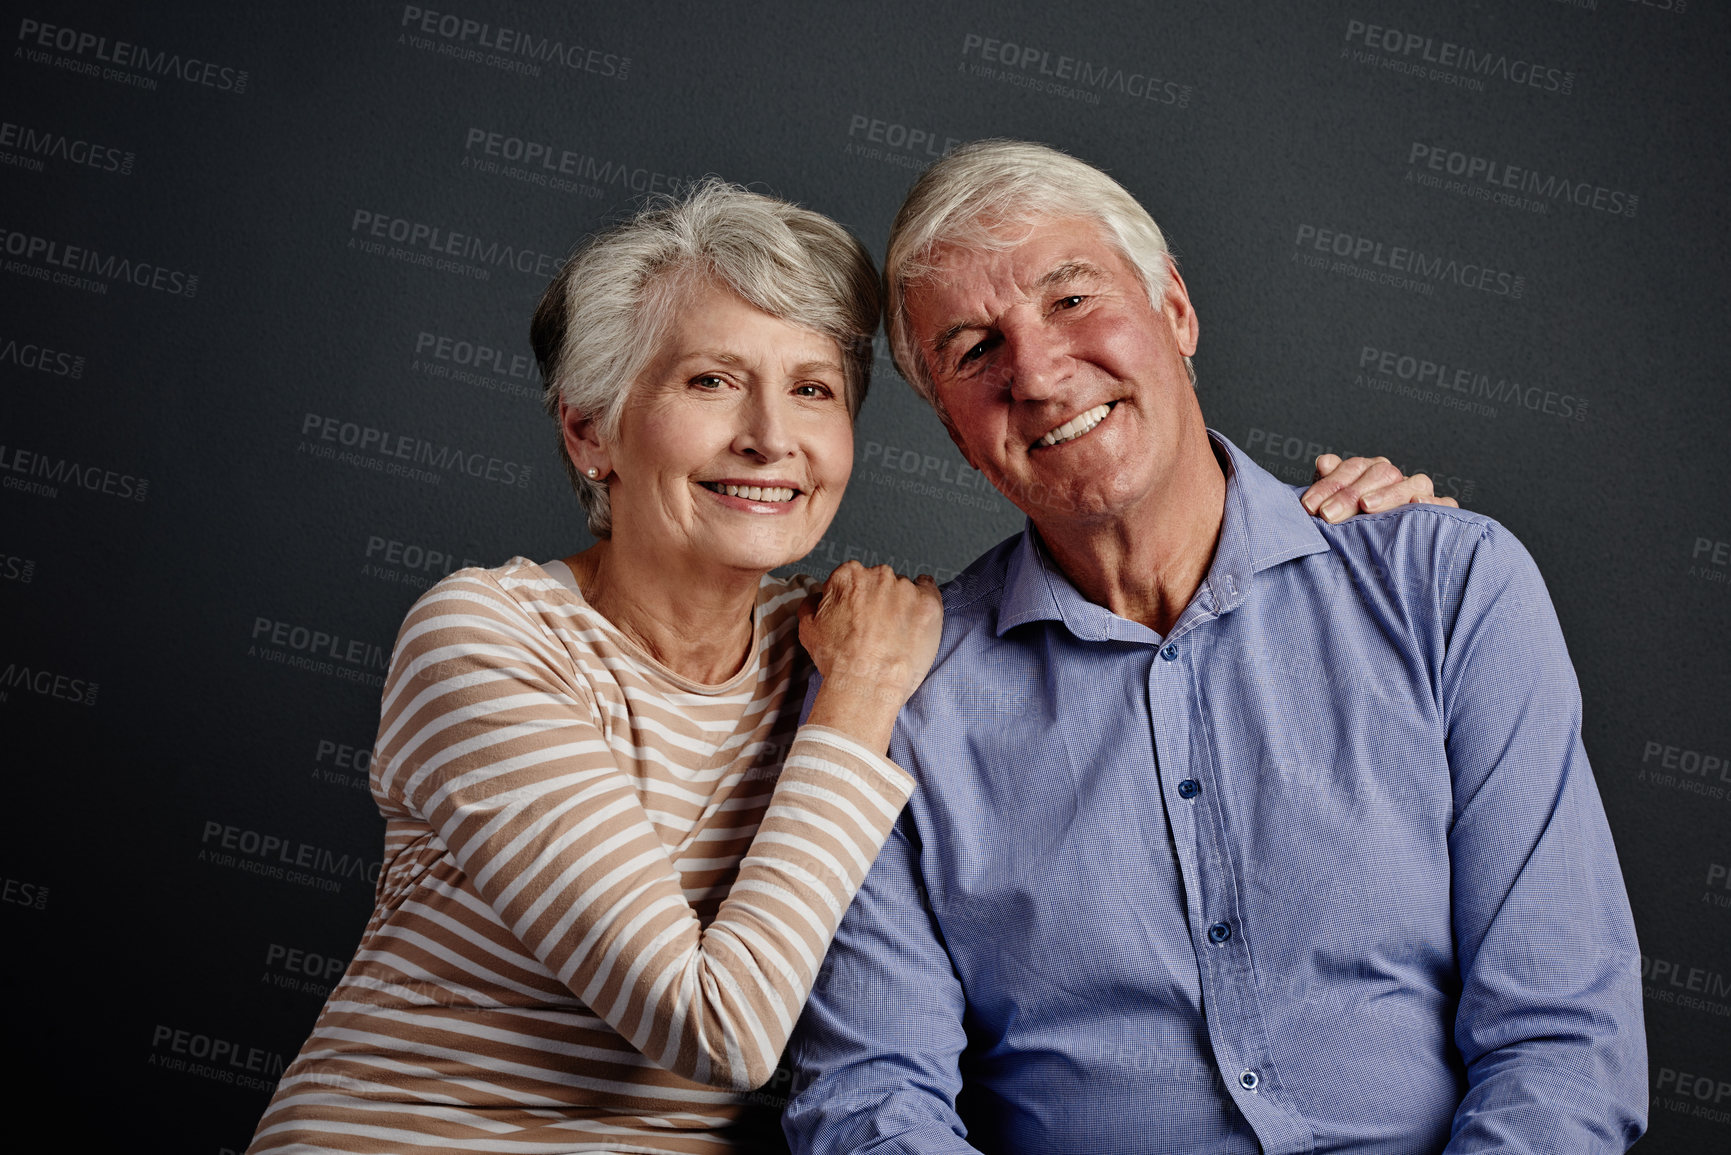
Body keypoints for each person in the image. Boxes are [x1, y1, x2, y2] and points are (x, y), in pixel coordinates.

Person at [246, 179, 1444, 1154]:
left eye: (813, 389)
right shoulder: (490, 639)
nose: (771, 437)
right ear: (591, 429)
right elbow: (715, 1029)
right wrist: (861, 700)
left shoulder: (828, 644)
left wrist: (1350, 535)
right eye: (711, 381)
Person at [783, 141, 1647, 1154]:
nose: (1040, 371)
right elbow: (872, 1105)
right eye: (974, 350)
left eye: (1070, 299)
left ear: (1177, 313)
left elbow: (1562, 1044)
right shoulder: (897, 701)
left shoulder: (1447, 589)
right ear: (957, 432)